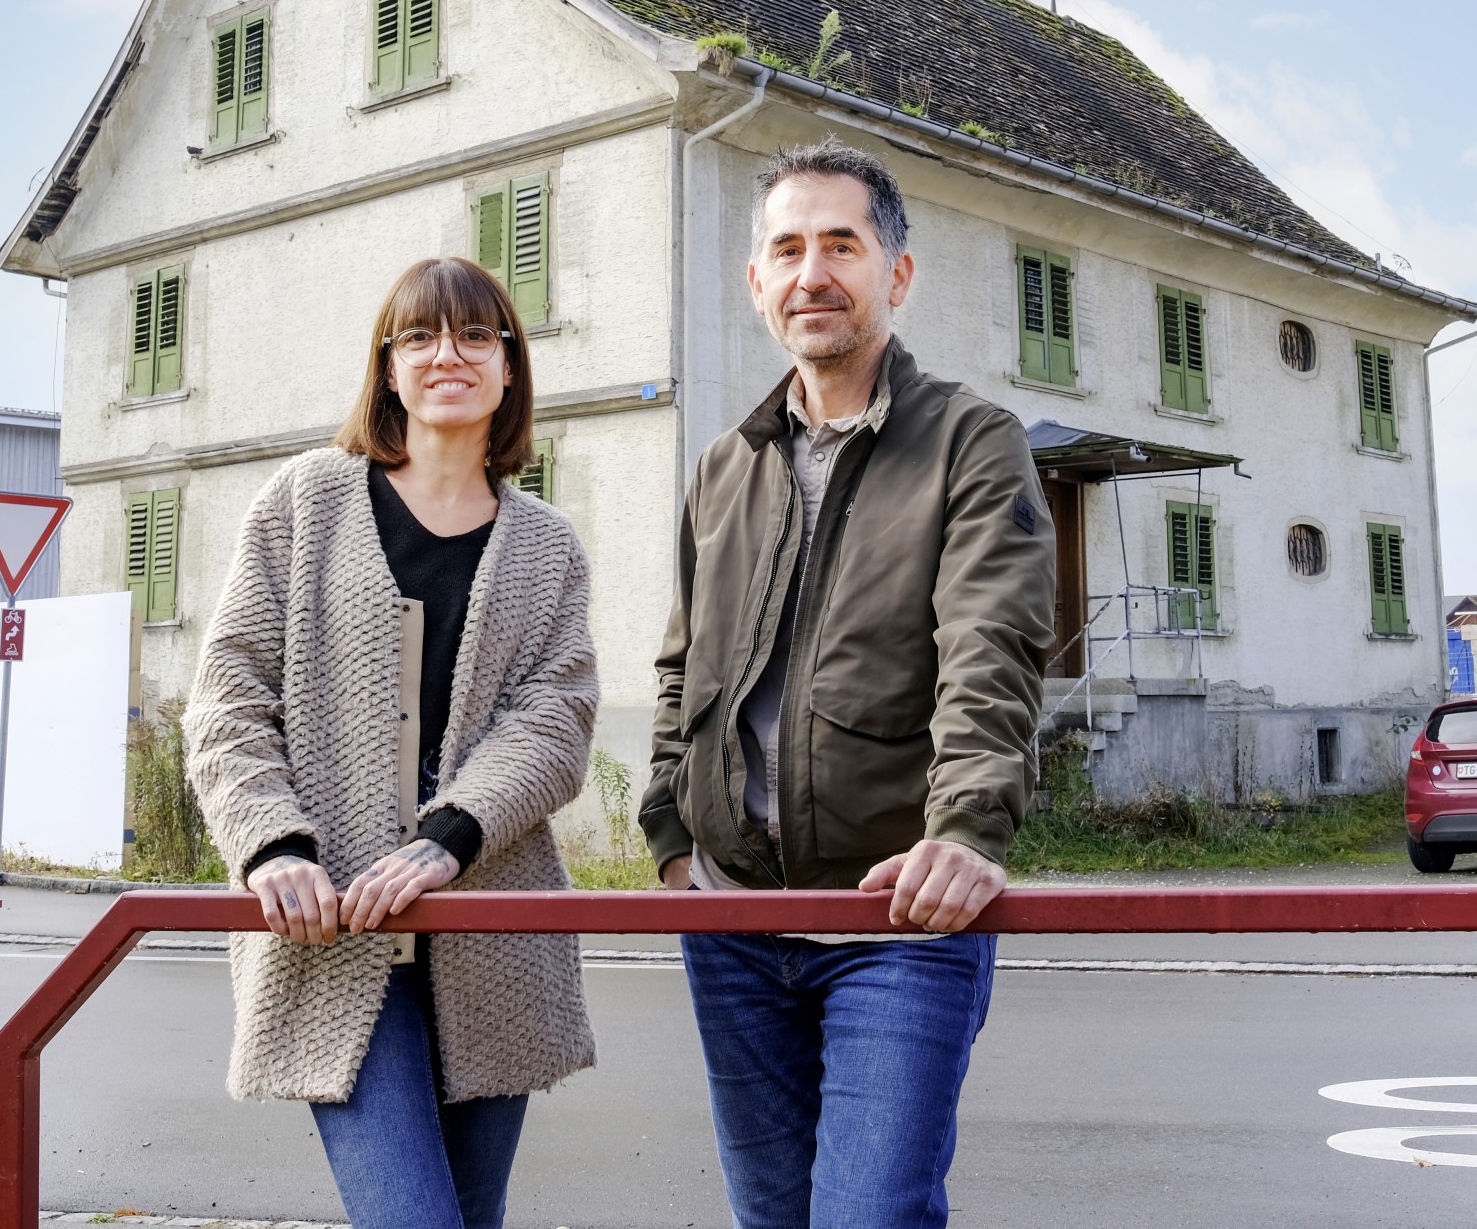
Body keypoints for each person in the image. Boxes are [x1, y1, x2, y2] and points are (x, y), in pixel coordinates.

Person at [638, 138, 1053, 1229]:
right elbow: (683, 662)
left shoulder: (972, 443)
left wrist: (966, 829)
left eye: (840, 244)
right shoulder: (726, 465)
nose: (811, 272)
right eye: (786, 248)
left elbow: (991, 644)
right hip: (730, 920)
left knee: (870, 1217)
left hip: (895, 923)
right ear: (757, 283)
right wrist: (668, 834)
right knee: (771, 1221)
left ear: (895, 275)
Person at [184, 256, 599, 1229]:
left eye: (473, 336)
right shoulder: (308, 501)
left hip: (492, 936)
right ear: (387, 368)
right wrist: (273, 846)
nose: (445, 354)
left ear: (508, 370)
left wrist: (446, 837)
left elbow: (557, 718)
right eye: (418, 336)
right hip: (335, 929)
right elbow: (227, 696)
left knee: (469, 1216)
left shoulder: (547, 544)